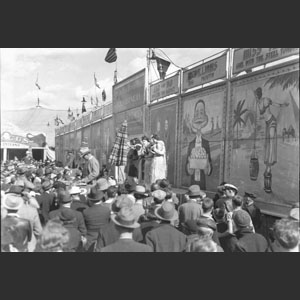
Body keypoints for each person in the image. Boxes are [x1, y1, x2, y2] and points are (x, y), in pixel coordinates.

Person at [254, 87, 289, 193]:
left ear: (259, 94)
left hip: (272, 121)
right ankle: (268, 167)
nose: (257, 95)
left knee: (271, 143)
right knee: (268, 143)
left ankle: (269, 165)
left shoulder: (265, 100)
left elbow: (276, 104)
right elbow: (260, 113)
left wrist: (283, 105)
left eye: (257, 94)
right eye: (256, 94)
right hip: (267, 123)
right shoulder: (259, 102)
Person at [186, 99, 213, 190]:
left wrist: (206, 163)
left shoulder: (206, 143)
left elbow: (209, 166)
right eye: (197, 113)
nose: (199, 116)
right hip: (193, 179)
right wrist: (190, 164)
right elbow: (187, 166)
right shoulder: (191, 144)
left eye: (201, 112)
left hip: (202, 179)